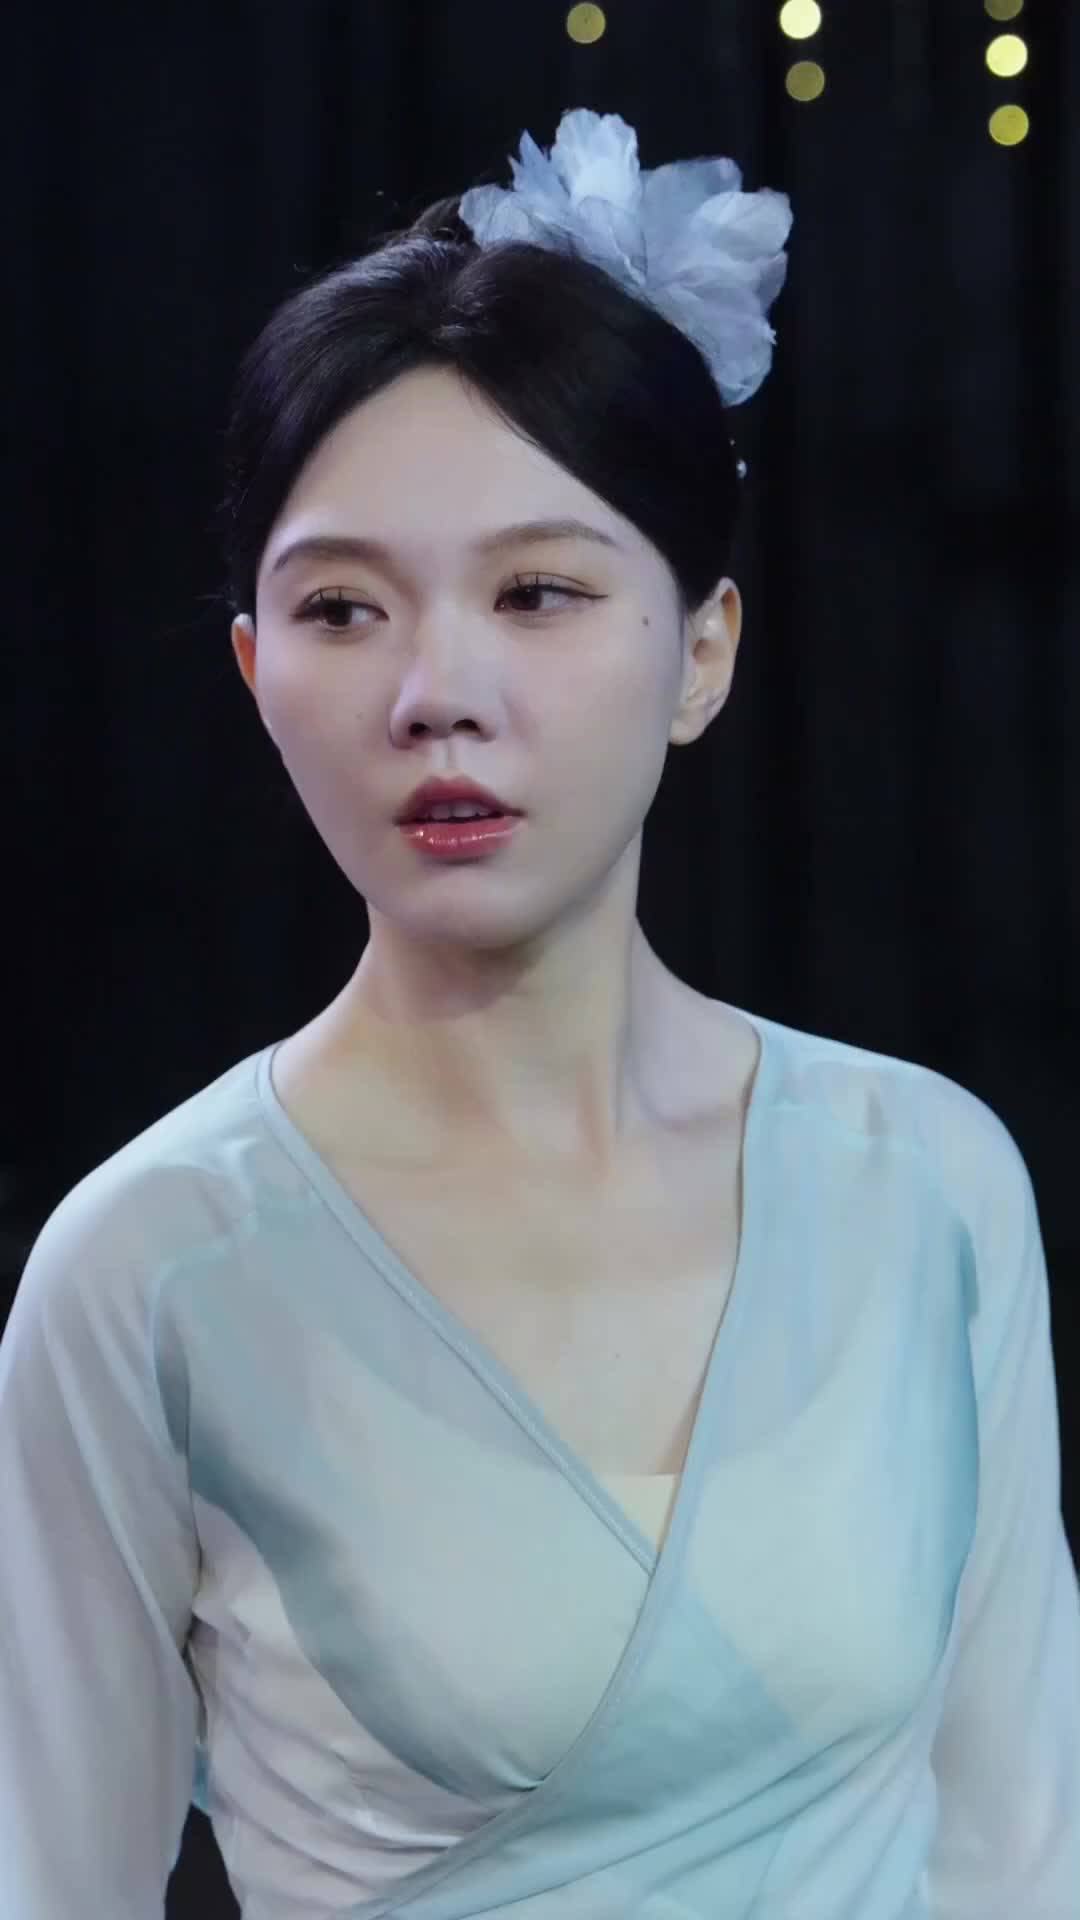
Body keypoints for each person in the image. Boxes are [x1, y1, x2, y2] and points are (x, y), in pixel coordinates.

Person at [2, 108, 1078, 1919]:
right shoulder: (151, 1268)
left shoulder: (924, 1183)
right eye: (344, 608)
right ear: (256, 670)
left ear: (702, 650)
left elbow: (1020, 1841)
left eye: (538, 592)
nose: (439, 690)